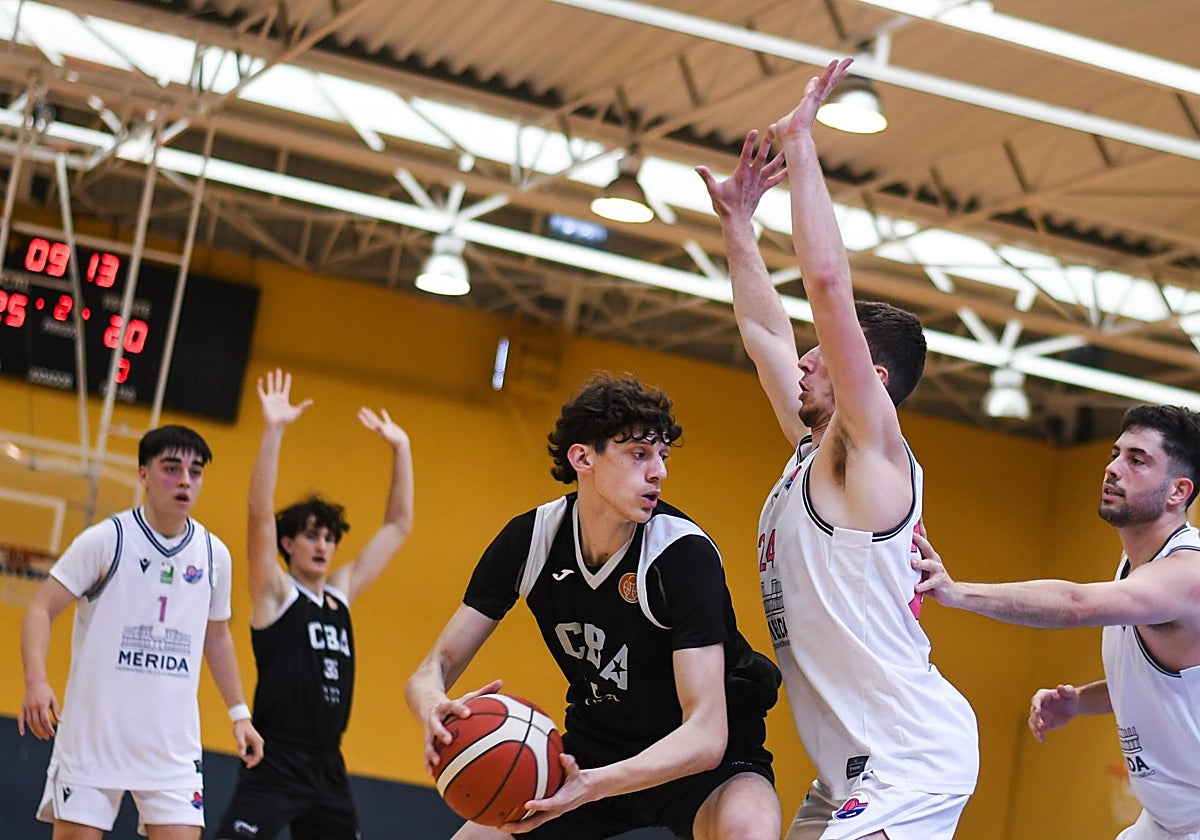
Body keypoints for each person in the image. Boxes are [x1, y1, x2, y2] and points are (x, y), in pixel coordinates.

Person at [697, 57, 978, 840]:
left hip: (908, 756)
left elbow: (825, 286)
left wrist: (804, 146)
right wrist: (737, 228)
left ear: (871, 378)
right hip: (851, 765)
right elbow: (765, 335)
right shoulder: (813, 453)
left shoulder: (871, 450)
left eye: (824, 355)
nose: (807, 360)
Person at [405, 373, 782, 840]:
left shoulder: (681, 554)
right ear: (583, 457)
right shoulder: (531, 541)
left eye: (662, 456)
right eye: (638, 454)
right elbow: (432, 669)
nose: (659, 472)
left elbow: (706, 734)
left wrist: (591, 787)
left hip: (707, 765)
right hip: (596, 748)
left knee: (752, 831)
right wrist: (433, 710)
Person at [912, 403, 1200, 839]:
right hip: (1166, 822)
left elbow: (1075, 604)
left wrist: (958, 592)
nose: (1114, 468)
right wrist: (1079, 701)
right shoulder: (1137, 564)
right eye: (1114, 454)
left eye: (1136, 460)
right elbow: (1163, 684)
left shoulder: (1185, 575)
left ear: (1178, 491)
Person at [19, 424, 264, 839]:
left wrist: (240, 715)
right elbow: (41, 608)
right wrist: (36, 681)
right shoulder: (107, 540)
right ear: (143, 474)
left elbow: (217, 637)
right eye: (171, 468)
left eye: (195, 471)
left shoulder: (213, 554)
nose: (185, 480)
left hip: (170, 749)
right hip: (94, 741)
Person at [216, 369, 414, 840]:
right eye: (310, 536)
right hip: (276, 757)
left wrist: (401, 448)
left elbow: (398, 525)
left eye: (329, 537)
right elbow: (259, 514)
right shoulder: (276, 593)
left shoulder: (340, 591)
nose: (323, 546)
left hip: (328, 764)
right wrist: (273, 431)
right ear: (288, 543)